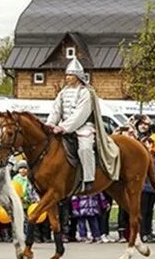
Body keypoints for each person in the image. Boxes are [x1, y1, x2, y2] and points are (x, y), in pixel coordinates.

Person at [45, 58, 120, 192]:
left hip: (83, 127)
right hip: (63, 127)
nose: (67, 78)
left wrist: (64, 127)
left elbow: (80, 114)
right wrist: (50, 124)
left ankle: (88, 178)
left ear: (78, 76)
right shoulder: (63, 92)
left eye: (70, 75)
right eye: (67, 75)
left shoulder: (86, 92)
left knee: (85, 148)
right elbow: (56, 110)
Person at [140, 137, 155, 243]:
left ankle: (148, 231)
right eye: (146, 143)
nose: (149, 145)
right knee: (143, 210)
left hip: (152, 187)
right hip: (143, 186)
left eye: (150, 143)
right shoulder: (140, 155)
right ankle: (142, 232)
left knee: (150, 211)